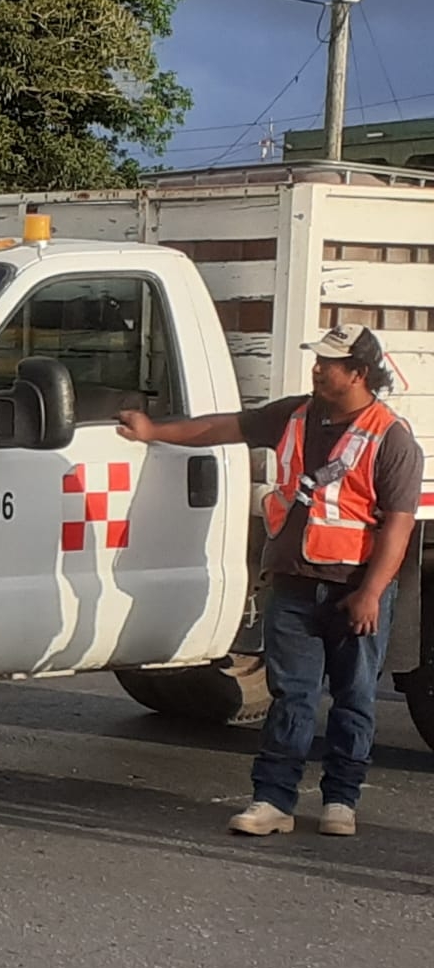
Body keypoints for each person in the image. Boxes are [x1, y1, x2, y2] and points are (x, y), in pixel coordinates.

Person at [118, 325, 423, 838]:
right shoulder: (295, 414)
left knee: (354, 698)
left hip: (354, 589)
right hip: (296, 584)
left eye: (330, 362)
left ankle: (341, 801)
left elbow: (398, 523)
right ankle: (273, 800)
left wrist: (371, 592)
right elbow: (227, 427)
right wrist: (154, 432)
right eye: (317, 360)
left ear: (358, 373)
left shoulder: (390, 438)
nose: (317, 368)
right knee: (292, 696)